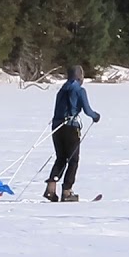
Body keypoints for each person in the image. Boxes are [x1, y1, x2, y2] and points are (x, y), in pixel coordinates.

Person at [43, 65, 100, 202]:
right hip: (71, 128)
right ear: (80, 77)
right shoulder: (80, 91)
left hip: (57, 127)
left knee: (61, 158)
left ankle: (51, 188)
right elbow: (87, 110)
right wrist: (95, 116)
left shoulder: (61, 90)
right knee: (73, 160)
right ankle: (67, 191)